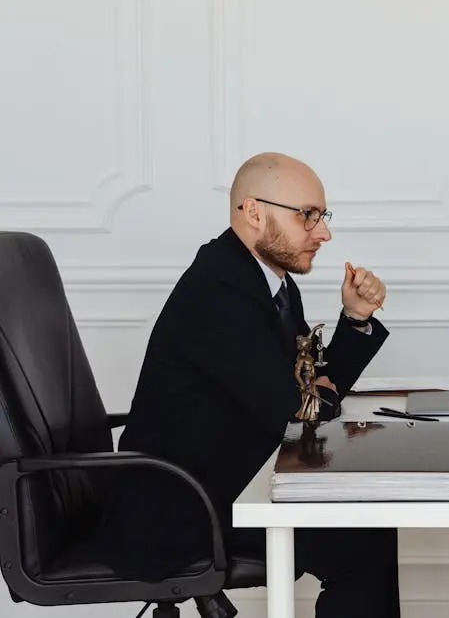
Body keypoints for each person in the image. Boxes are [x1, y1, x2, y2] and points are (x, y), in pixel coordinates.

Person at [97, 152, 401, 617]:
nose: (324, 233)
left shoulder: (267, 283)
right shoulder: (219, 292)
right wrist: (316, 393)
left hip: (225, 482)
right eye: (308, 217)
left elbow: (312, 389)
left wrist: (355, 319)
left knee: (366, 530)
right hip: (181, 509)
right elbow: (304, 404)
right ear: (254, 212)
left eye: (323, 217)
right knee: (361, 539)